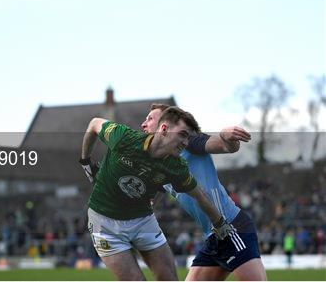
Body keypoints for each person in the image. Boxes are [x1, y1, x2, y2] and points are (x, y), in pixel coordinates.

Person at [80, 106, 235, 281]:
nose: (186, 142)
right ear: (164, 129)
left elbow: (200, 196)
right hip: (105, 225)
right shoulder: (124, 137)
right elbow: (94, 124)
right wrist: (85, 161)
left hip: (142, 221)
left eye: (189, 138)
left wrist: (221, 224)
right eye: (183, 134)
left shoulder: (176, 167)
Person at [141, 104, 266, 281]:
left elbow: (224, 146)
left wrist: (225, 137)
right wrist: (150, 200)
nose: (144, 124)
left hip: (232, 229)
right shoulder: (160, 161)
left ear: (165, 124)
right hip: (213, 238)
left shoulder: (188, 141)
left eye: (150, 118)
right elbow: (161, 185)